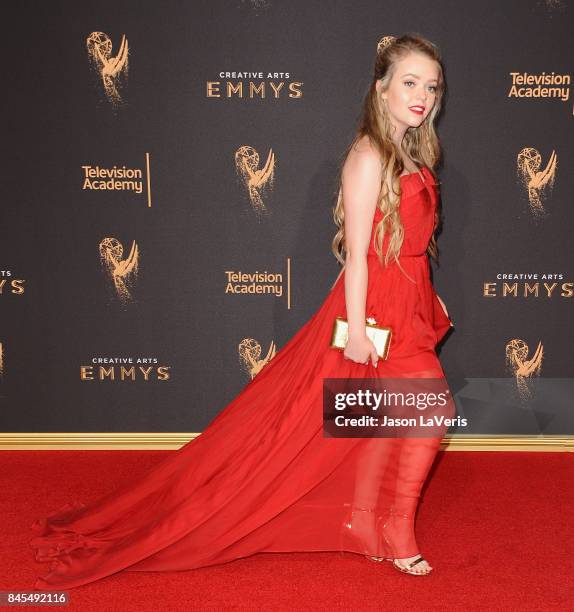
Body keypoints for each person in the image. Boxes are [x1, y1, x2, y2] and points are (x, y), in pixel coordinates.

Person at [29, 33, 454, 589]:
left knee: (381, 422)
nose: (421, 95)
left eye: (430, 86)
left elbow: (407, 239)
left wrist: (428, 289)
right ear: (382, 88)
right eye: (409, 82)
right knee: (429, 414)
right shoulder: (369, 155)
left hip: (410, 298)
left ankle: (367, 524)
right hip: (376, 309)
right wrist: (355, 329)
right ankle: (393, 532)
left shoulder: (413, 151)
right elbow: (356, 252)